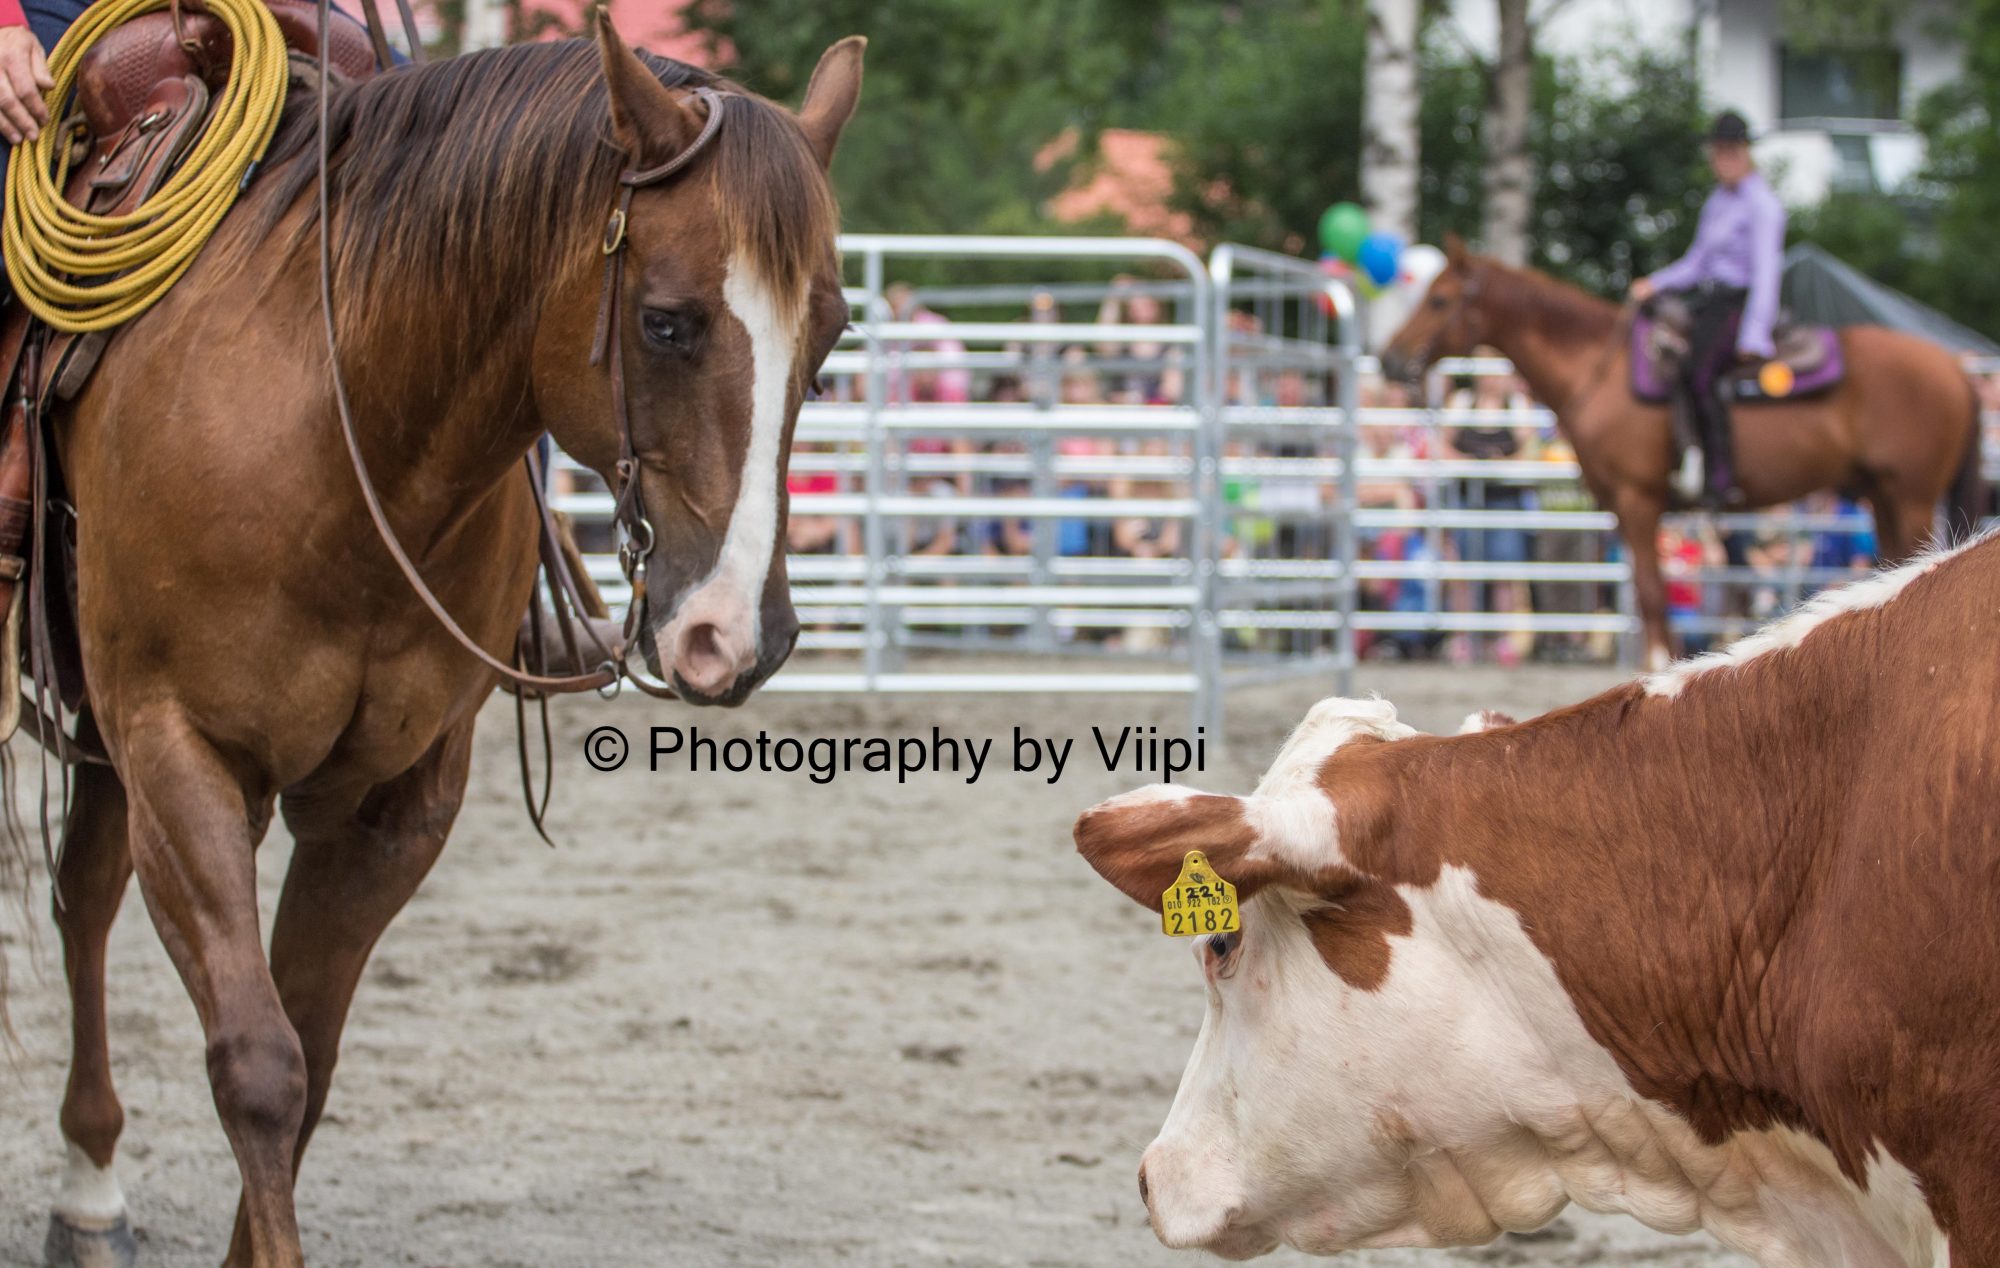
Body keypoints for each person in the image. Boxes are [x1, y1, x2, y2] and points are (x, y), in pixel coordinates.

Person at [1628, 109, 1785, 509]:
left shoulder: (1762, 205)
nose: (1723, 160)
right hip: (1708, 298)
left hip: (1738, 301)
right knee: (1668, 354)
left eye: (1731, 151)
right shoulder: (1717, 202)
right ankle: (1684, 458)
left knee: (1701, 371)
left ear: (1746, 152)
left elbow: (1767, 272)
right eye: (1718, 152)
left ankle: (1722, 477)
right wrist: (1655, 284)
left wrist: (1755, 333)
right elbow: (1696, 262)